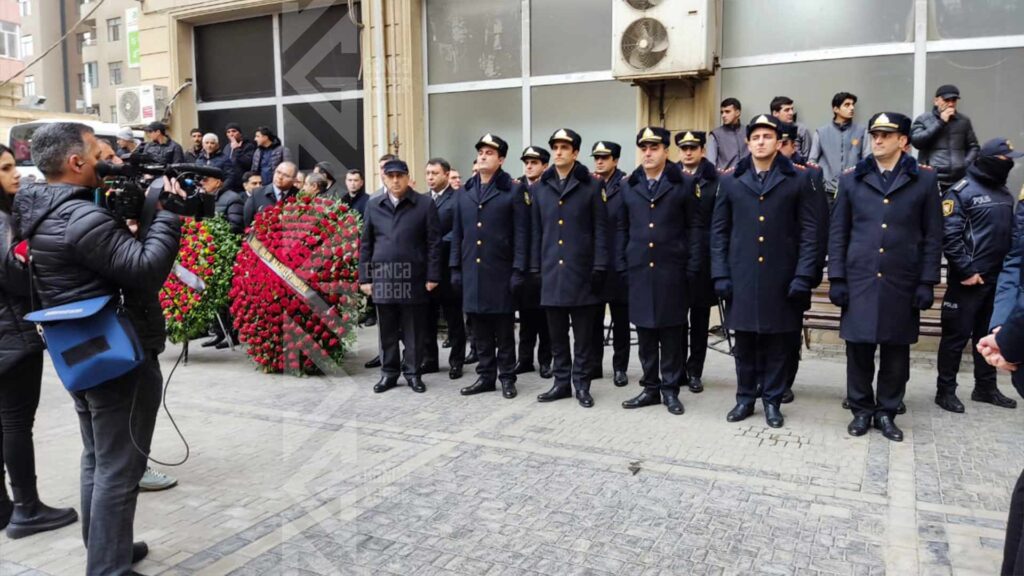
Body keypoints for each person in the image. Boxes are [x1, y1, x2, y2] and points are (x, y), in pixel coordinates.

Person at [14, 122, 183, 574]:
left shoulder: (43, 210)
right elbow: (146, 269)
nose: (105, 160)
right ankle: (108, 567)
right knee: (119, 470)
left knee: (98, 459)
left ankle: (106, 548)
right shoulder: (82, 216)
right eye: (96, 151)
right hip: (115, 356)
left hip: (82, 352)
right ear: (75, 162)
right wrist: (168, 214)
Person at [829, 112, 943, 442]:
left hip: (901, 280)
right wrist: (836, 277)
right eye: (874, 134)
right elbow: (839, 232)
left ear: (903, 141)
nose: (877, 140)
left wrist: (926, 282)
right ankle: (862, 410)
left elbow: (933, 236)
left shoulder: (923, 180)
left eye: (885, 135)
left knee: (896, 354)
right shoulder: (851, 179)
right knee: (859, 350)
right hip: (860, 279)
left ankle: (887, 412)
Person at [711, 114, 819, 429]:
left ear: (778, 142)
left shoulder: (800, 179)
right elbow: (719, 232)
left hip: (782, 278)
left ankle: (772, 401)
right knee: (743, 345)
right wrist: (720, 274)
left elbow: (810, 233)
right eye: (755, 136)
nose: (761, 142)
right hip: (741, 278)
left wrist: (803, 276)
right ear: (748, 143)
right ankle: (745, 398)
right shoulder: (730, 180)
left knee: (778, 345)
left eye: (767, 137)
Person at [0, 142, 79, 539]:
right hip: (11, 336)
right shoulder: (0, 220)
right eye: (6, 168)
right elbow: (12, 275)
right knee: (15, 422)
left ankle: (4, 507)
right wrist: (32, 261)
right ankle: (27, 509)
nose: (17, 173)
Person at [617, 127, 702, 415]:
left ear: (667, 151)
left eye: (654, 147)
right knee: (645, 332)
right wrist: (623, 263)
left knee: (671, 332)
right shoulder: (629, 185)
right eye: (644, 147)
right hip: (639, 270)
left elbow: (694, 228)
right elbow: (622, 228)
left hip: (672, 270)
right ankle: (650, 387)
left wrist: (691, 265)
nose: (648, 153)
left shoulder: (684, 184)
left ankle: (670, 390)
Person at [934, 138, 1022, 412]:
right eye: (1005, 161)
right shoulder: (961, 191)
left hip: (997, 282)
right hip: (968, 282)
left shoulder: (1005, 193)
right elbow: (949, 236)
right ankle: (945, 390)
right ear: (992, 161)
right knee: (955, 338)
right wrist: (966, 270)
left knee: (989, 337)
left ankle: (985, 388)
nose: (1009, 165)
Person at [530, 128, 609, 408]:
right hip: (552, 272)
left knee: (584, 336)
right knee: (557, 334)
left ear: (575, 153)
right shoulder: (539, 187)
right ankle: (561, 382)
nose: (559, 152)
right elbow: (536, 232)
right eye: (555, 147)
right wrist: (535, 268)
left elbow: (601, 230)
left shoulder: (591, 185)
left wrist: (600, 265)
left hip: (582, 272)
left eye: (565, 147)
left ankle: (582, 384)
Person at [450, 135, 529, 398]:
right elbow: (458, 234)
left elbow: (521, 235)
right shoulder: (465, 192)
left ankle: (507, 377)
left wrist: (519, 270)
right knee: (479, 329)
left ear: (501, 159)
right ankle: (485, 376)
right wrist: (455, 268)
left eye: (490, 153)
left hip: (501, 272)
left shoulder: (513, 190)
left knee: (503, 330)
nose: (483, 156)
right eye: (481, 152)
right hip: (472, 271)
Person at [358, 159, 441, 394]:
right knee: (387, 330)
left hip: (413, 276)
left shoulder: (424, 204)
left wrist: (432, 275)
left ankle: (414, 373)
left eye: (400, 176)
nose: (395, 180)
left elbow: (433, 243)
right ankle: (389, 373)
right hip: (383, 276)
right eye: (390, 176)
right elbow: (366, 244)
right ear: (384, 178)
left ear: (407, 178)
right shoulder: (374, 206)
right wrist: (365, 278)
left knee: (414, 329)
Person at [676, 130, 718, 394]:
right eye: (684, 148)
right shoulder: (673, 179)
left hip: (704, 260)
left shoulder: (716, 180)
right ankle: (677, 368)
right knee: (677, 319)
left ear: (702, 150)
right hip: (677, 258)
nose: (688, 152)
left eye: (693, 148)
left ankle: (695, 371)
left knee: (700, 321)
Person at [589, 140, 630, 387]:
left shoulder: (625, 186)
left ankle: (620, 368)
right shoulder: (590, 185)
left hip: (618, 263)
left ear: (615, 160)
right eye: (597, 157)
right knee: (592, 319)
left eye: (605, 157)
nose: (600, 161)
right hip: (594, 264)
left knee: (621, 320)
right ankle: (594, 365)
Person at [422, 157, 466, 380]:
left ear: (447, 175)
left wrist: (435, 242)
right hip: (427, 270)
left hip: (448, 268)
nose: (430, 177)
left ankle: (457, 361)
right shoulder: (422, 200)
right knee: (427, 318)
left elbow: (460, 231)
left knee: (454, 319)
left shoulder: (458, 198)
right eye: (428, 173)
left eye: (435, 173)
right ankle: (429, 360)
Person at [514, 146, 552, 379]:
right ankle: (525, 359)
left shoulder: (548, 188)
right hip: (524, 261)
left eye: (534, 162)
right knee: (526, 315)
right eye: (526, 162)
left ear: (544, 166)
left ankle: (546, 360)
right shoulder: (517, 187)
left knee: (546, 318)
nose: (529, 166)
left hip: (545, 260)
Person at [911, 85, 980, 191]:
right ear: (936, 101)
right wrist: (941, 122)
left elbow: (974, 147)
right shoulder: (924, 119)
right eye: (946, 100)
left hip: (958, 179)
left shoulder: (964, 121)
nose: (951, 104)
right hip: (932, 178)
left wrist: (964, 164)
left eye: (954, 100)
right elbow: (917, 142)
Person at [810, 92, 868, 201]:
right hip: (827, 192)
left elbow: (868, 159)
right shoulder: (821, 132)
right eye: (847, 105)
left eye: (852, 104)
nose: (852, 108)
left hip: (854, 190)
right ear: (836, 109)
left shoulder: (862, 131)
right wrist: (822, 181)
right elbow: (812, 161)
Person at [243, 161, 297, 227]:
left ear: (294, 180)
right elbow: (247, 222)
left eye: (286, 175)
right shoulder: (257, 194)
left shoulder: (299, 195)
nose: (280, 177)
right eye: (278, 172)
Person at [706, 98, 748, 171]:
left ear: (737, 113)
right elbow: (711, 164)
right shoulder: (715, 135)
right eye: (722, 112)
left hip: (748, 179)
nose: (723, 115)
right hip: (725, 178)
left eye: (727, 112)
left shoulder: (748, 131)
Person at [225, 123, 256, 192]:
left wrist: (237, 149)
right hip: (229, 183)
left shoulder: (248, 146)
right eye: (228, 132)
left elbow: (248, 163)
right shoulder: (227, 147)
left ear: (240, 134)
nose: (231, 134)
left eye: (234, 131)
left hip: (241, 184)